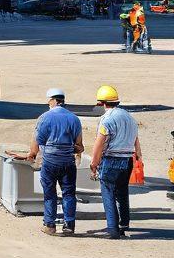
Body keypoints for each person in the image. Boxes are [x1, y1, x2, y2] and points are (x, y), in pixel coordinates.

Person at [10, 88, 83, 235]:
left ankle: (49, 225)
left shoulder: (45, 117)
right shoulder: (74, 118)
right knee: (68, 193)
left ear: (53, 100)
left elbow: (37, 141)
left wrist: (31, 155)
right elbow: (79, 146)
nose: (48, 104)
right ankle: (69, 226)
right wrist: (68, 148)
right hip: (68, 163)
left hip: (49, 162)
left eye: (49, 101)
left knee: (50, 194)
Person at [90, 85, 142, 239]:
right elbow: (136, 140)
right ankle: (123, 224)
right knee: (122, 192)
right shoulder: (130, 118)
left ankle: (112, 229)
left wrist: (94, 163)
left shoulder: (107, 119)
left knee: (108, 192)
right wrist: (138, 155)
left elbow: (99, 144)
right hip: (127, 160)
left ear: (101, 103)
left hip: (111, 159)